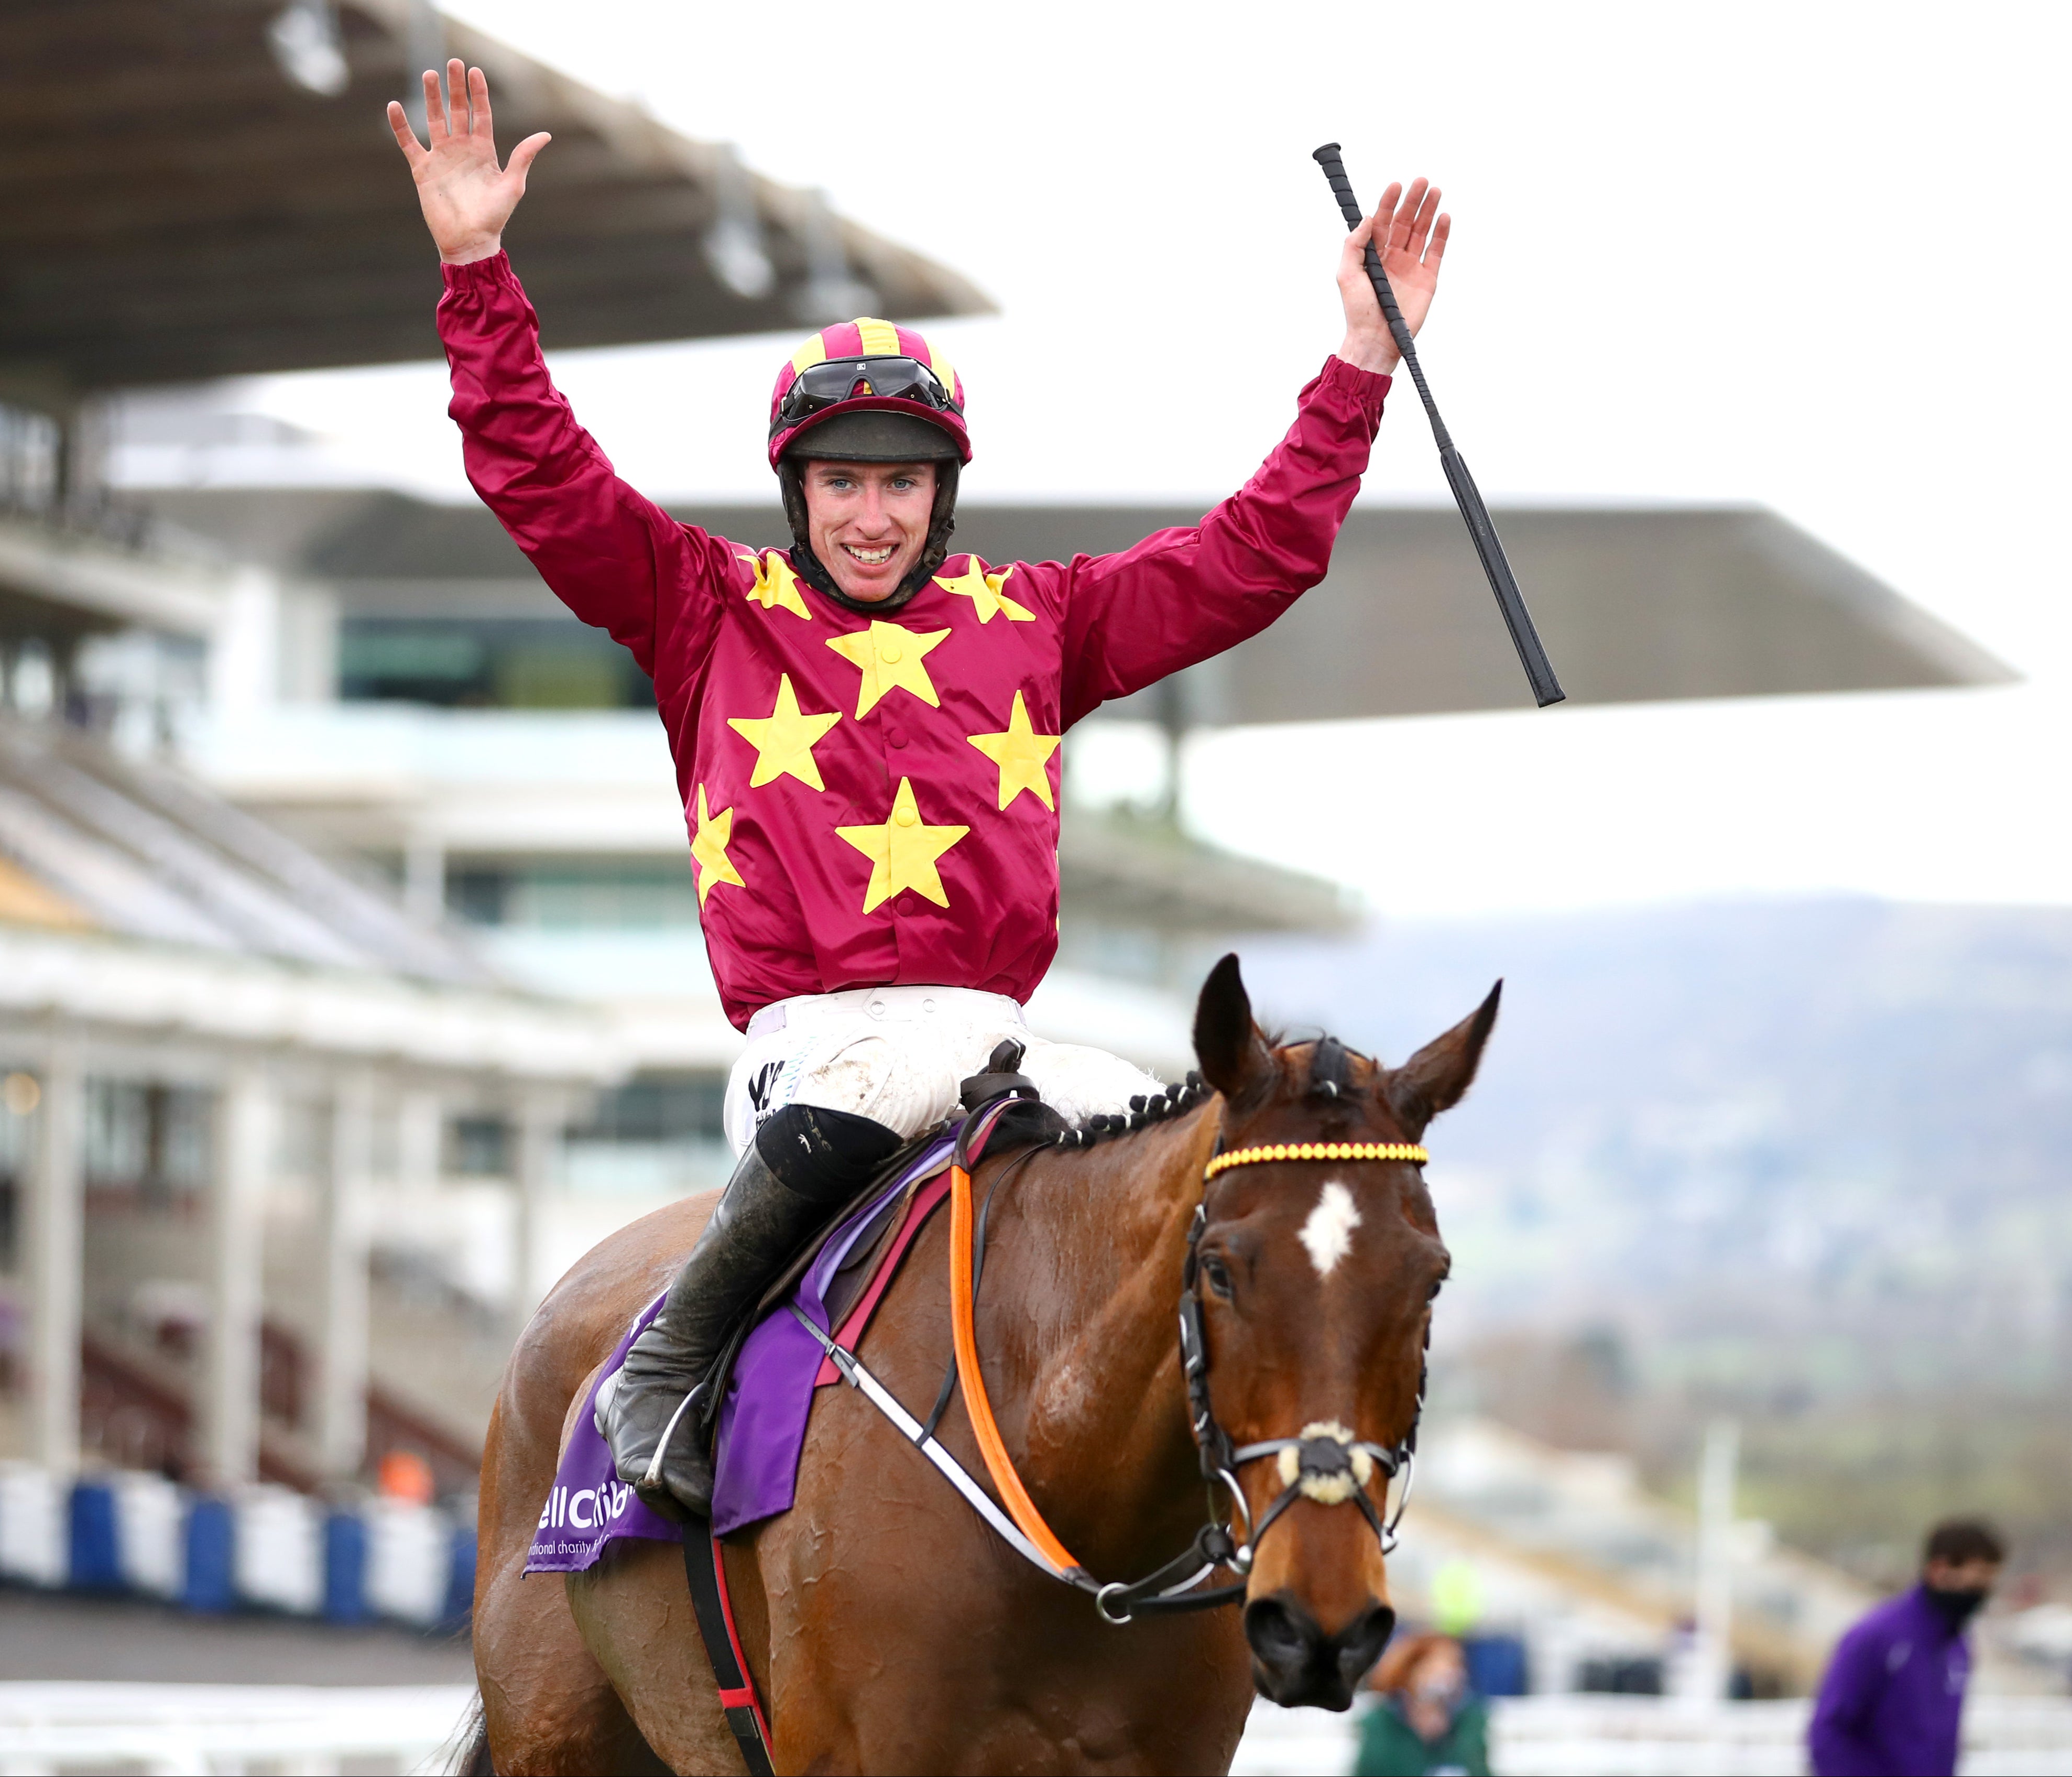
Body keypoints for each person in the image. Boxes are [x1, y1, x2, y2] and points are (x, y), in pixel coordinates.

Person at [389, 60, 1448, 1516]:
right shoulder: (703, 601)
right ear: (797, 492)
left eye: (899, 484)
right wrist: (474, 267)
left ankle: (1241, 1485)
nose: (870, 513)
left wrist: (1359, 366)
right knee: (896, 1065)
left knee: (1193, 1134)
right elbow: (540, 473)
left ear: (939, 494)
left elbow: (1252, 556)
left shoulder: (1039, 614)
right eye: (840, 483)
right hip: (809, 1053)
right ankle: (665, 1357)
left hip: (1000, 1044)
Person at [1808, 1517, 2005, 1777]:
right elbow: (1829, 1734)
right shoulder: (1877, 1636)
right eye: (1978, 1577)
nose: (1984, 1590)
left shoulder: (1957, 1645)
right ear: (1940, 1570)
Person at [1355, 1633, 1491, 1776]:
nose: (1451, 1675)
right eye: (1440, 1666)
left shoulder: (1470, 1721)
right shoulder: (1381, 1721)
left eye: (1456, 1665)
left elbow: (1479, 1770)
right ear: (1413, 1669)